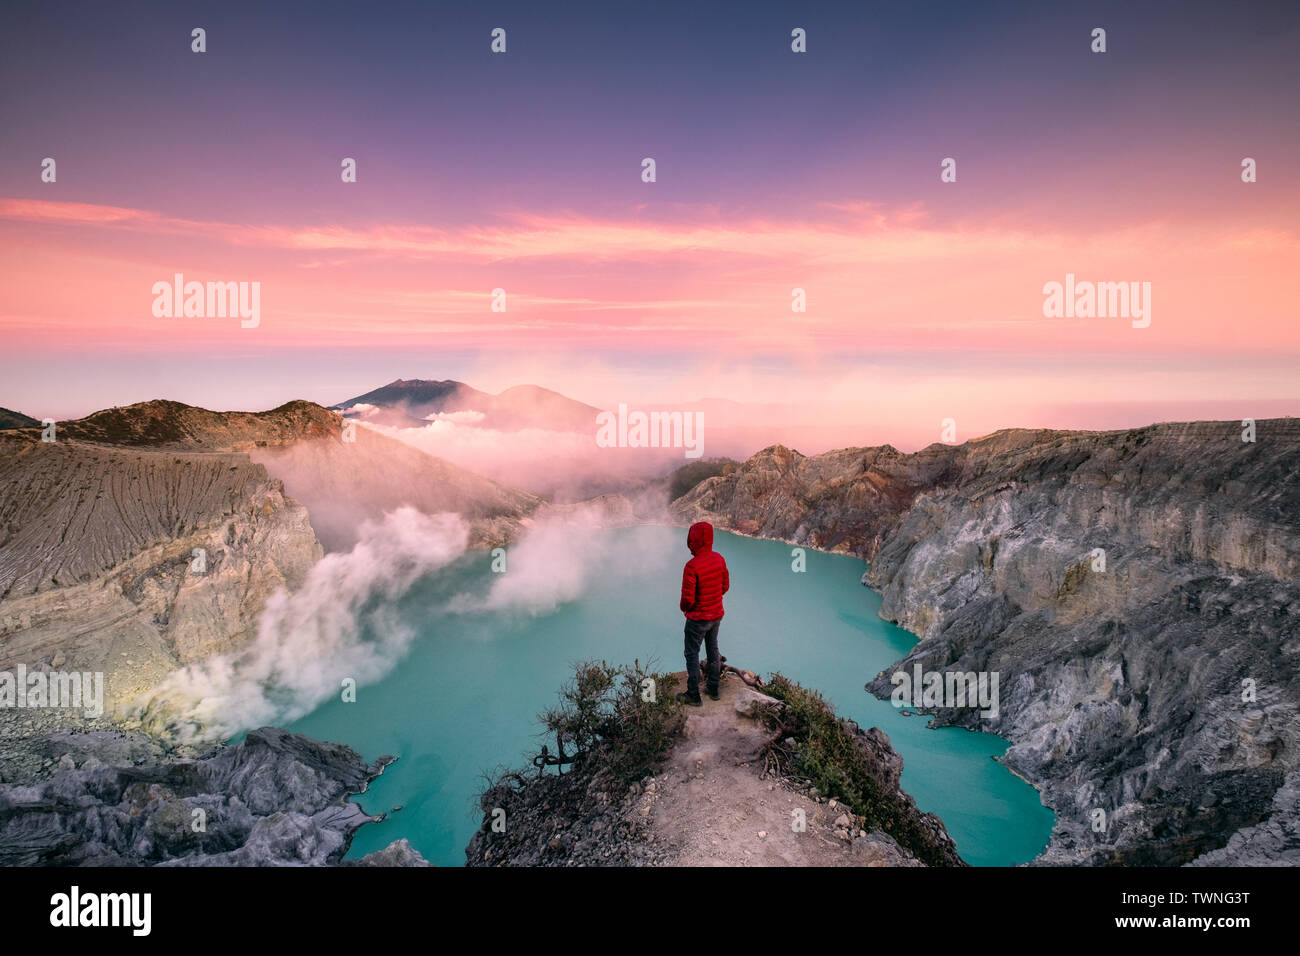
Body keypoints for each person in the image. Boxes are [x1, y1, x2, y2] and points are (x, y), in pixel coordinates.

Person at [677, 521, 729, 706]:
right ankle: (713, 688)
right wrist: (713, 599)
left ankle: (693, 695)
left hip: (698, 619)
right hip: (716, 615)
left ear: (693, 540)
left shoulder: (691, 566)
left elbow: (687, 600)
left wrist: (685, 609)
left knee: (692, 654)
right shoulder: (719, 559)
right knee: (713, 649)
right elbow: (725, 586)